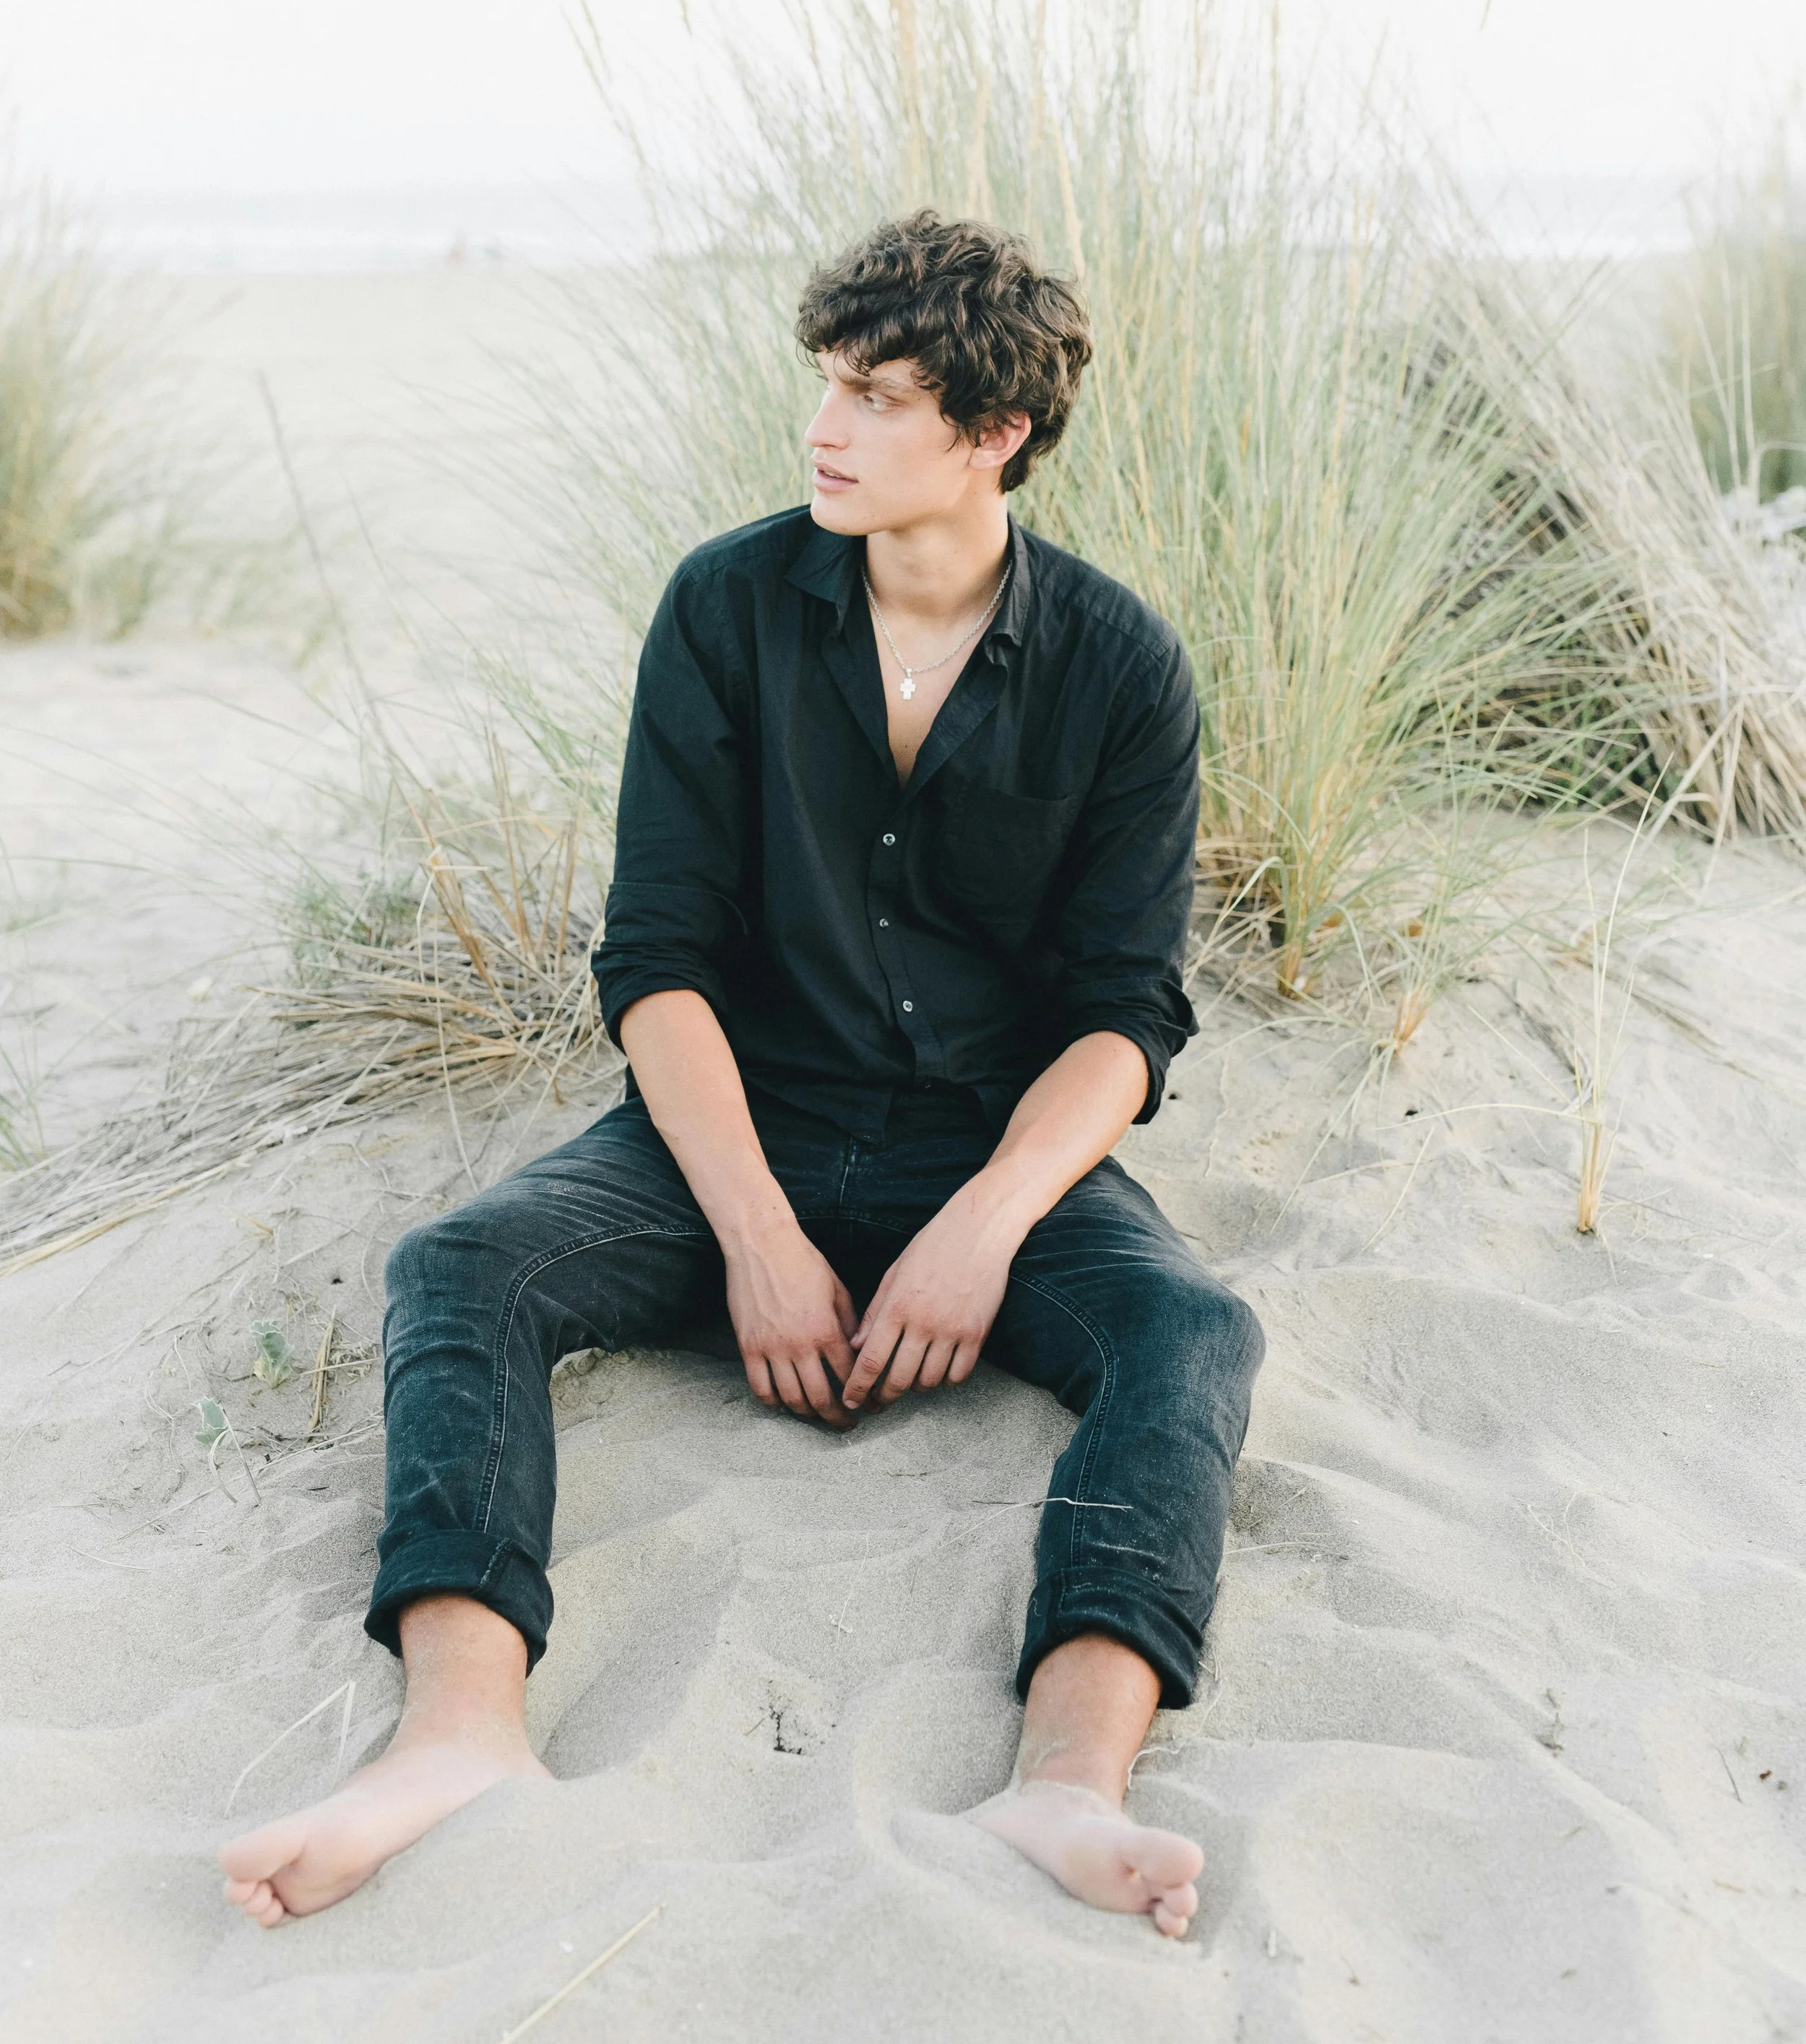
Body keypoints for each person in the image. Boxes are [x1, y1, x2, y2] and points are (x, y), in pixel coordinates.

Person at [219, 210, 1264, 1939]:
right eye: (822, 385)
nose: (823, 426)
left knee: (1192, 1333)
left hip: (983, 1151)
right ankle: (457, 1738)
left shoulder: (1117, 665)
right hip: (726, 1132)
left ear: (992, 434)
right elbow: (658, 960)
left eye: (872, 392)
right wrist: (761, 1238)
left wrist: (985, 1226)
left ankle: (1065, 1780)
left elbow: (1122, 1015)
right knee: (457, 1270)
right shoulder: (725, 605)